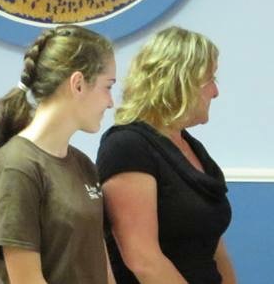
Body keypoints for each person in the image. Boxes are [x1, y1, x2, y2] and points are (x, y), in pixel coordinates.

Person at [96, 27, 236, 284]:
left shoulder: (191, 147)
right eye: (210, 80)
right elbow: (143, 259)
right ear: (180, 82)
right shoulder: (127, 146)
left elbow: (212, 244)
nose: (215, 91)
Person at [0, 25, 116, 283]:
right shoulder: (17, 168)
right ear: (78, 84)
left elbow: (102, 266)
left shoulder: (83, 164)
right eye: (108, 87)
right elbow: (26, 280)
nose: (111, 102)